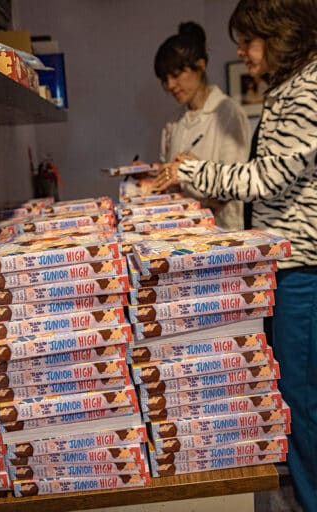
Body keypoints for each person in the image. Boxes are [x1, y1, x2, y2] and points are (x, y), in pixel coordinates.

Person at [154, 1, 317, 509]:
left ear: (280, 34)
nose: (243, 53)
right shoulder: (288, 89)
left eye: (248, 41)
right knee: (294, 394)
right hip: (285, 262)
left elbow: (266, 177)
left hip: (302, 267)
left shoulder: (309, 87)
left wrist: (193, 173)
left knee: (301, 399)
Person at [154, 21, 250, 230]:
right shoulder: (173, 121)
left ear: (200, 65)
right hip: (183, 230)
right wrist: (148, 174)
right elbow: (167, 175)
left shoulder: (228, 113)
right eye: (165, 79)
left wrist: (194, 170)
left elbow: (237, 185)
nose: (170, 85)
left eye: (176, 75)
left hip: (223, 231)